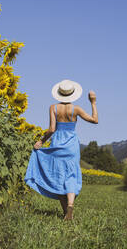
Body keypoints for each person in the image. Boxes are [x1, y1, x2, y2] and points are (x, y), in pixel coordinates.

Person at [24, 79, 98, 220]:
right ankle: (70, 204)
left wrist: (41, 141)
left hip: (57, 143)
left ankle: (66, 212)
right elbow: (95, 120)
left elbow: (52, 129)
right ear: (73, 94)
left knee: (58, 176)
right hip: (71, 146)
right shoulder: (76, 109)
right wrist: (93, 102)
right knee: (71, 175)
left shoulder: (53, 107)